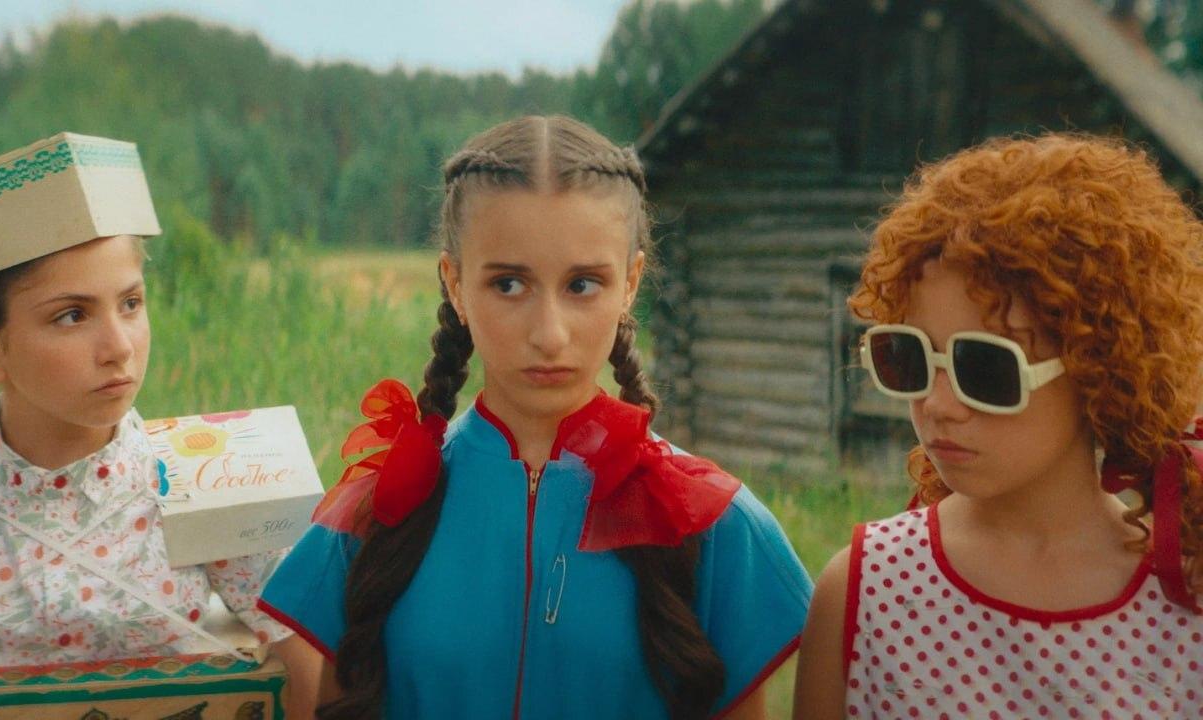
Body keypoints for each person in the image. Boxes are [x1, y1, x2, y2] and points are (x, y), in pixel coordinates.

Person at [259, 115, 813, 720]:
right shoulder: (376, 518)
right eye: (508, 284)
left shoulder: (713, 526)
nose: (549, 335)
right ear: (455, 283)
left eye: (582, 284)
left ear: (630, 283)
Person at [793, 134, 1203, 718]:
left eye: (985, 367)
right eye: (907, 356)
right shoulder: (864, 592)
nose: (938, 405)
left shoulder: (1185, 605)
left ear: (1100, 370)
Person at [0, 135, 320, 719]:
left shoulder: (214, 476)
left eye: (131, 303)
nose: (119, 347)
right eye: (72, 315)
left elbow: (308, 659)